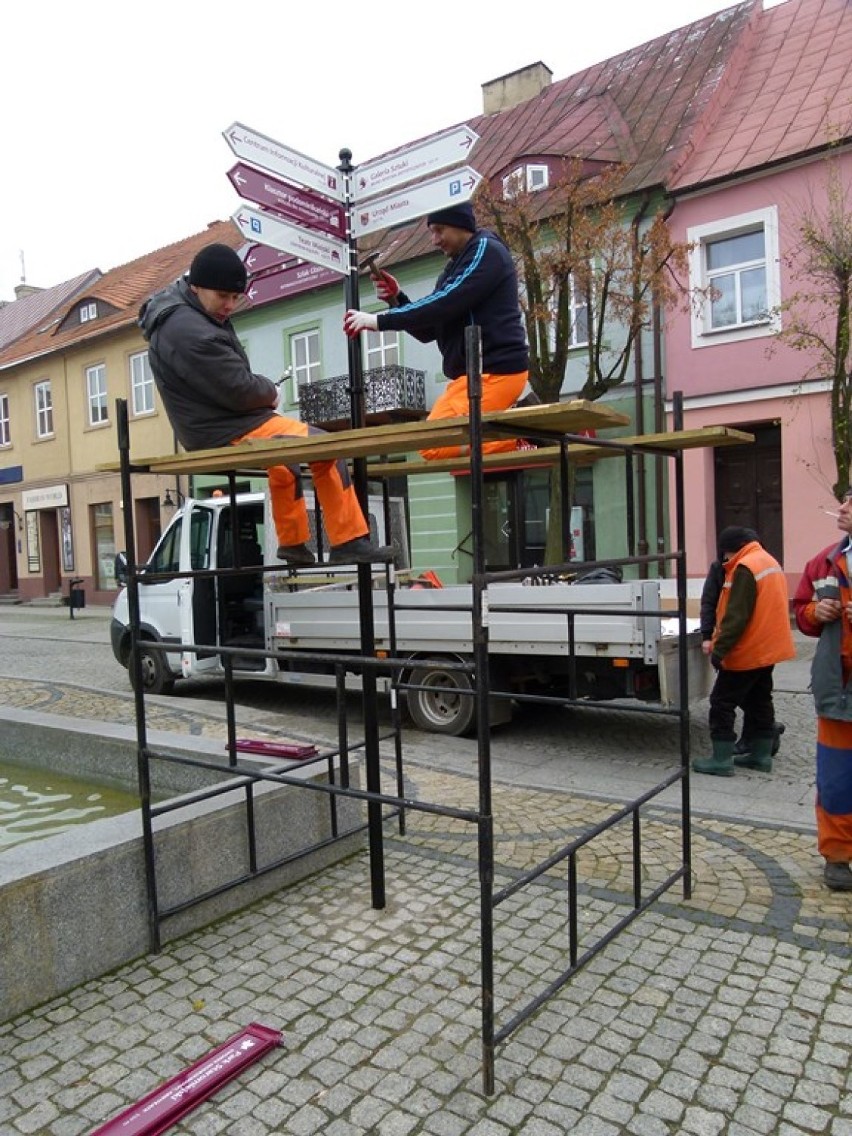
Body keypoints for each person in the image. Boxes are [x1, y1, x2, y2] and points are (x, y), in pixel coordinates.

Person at [139, 243, 390, 567]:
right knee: (326, 447)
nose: (230, 305)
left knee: (285, 462)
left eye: (235, 297)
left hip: (219, 423)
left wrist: (258, 392)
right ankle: (349, 540)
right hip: (225, 426)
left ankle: (292, 543)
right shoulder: (186, 328)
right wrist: (269, 392)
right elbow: (236, 388)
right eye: (223, 296)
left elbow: (228, 382)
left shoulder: (189, 314)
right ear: (196, 286)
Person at [343, 202, 529, 460]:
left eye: (439, 230)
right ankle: (518, 433)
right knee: (434, 445)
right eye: (431, 232)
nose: (434, 240)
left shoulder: (487, 251)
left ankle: (526, 437)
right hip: (473, 378)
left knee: (433, 444)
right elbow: (430, 329)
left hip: (494, 373)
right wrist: (397, 299)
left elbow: (446, 302)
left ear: (461, 225)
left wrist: (380, 321)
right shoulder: (453, 269)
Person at [693, 526, 794, 777]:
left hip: (746, 651)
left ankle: (721, 760)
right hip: (768, 648)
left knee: (721, 702)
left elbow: (736, 617)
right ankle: (760, 757)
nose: (723, 559)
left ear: (730, 549)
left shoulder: (745, 567)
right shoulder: (768, 561)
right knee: (760, 700)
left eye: (724, 553)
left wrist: (719, 651)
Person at [792, 488, 852, 892]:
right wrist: (816, 611)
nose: (842, 507)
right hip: (838, 692)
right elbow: (801, 613)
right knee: (836, 779)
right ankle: (838, 857)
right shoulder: (826, 560)